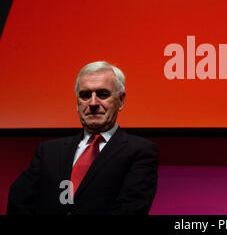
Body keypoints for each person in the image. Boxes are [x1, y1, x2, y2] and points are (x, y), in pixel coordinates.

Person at [7, 61, 158, 215]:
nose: (93, 103)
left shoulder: (140, 151)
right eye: (85, 95)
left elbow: (131, 209)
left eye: (102, 94)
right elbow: (18, 200)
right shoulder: (48, 151)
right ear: (77, 102)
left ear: (121, 100)